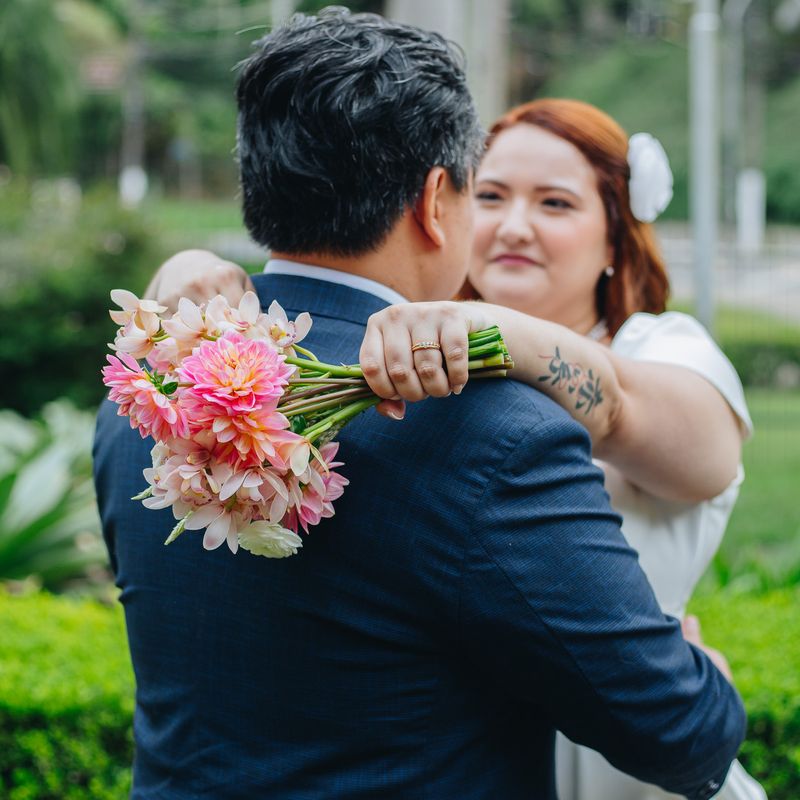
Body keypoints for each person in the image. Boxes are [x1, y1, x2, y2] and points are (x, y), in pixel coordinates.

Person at [95, 10, 747, 799]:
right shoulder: (490, 431)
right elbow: (680, 734)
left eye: (554, 204)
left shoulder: (151, 394)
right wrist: (705, 683)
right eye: (490, 191)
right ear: (437, 200)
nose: (509, 227)